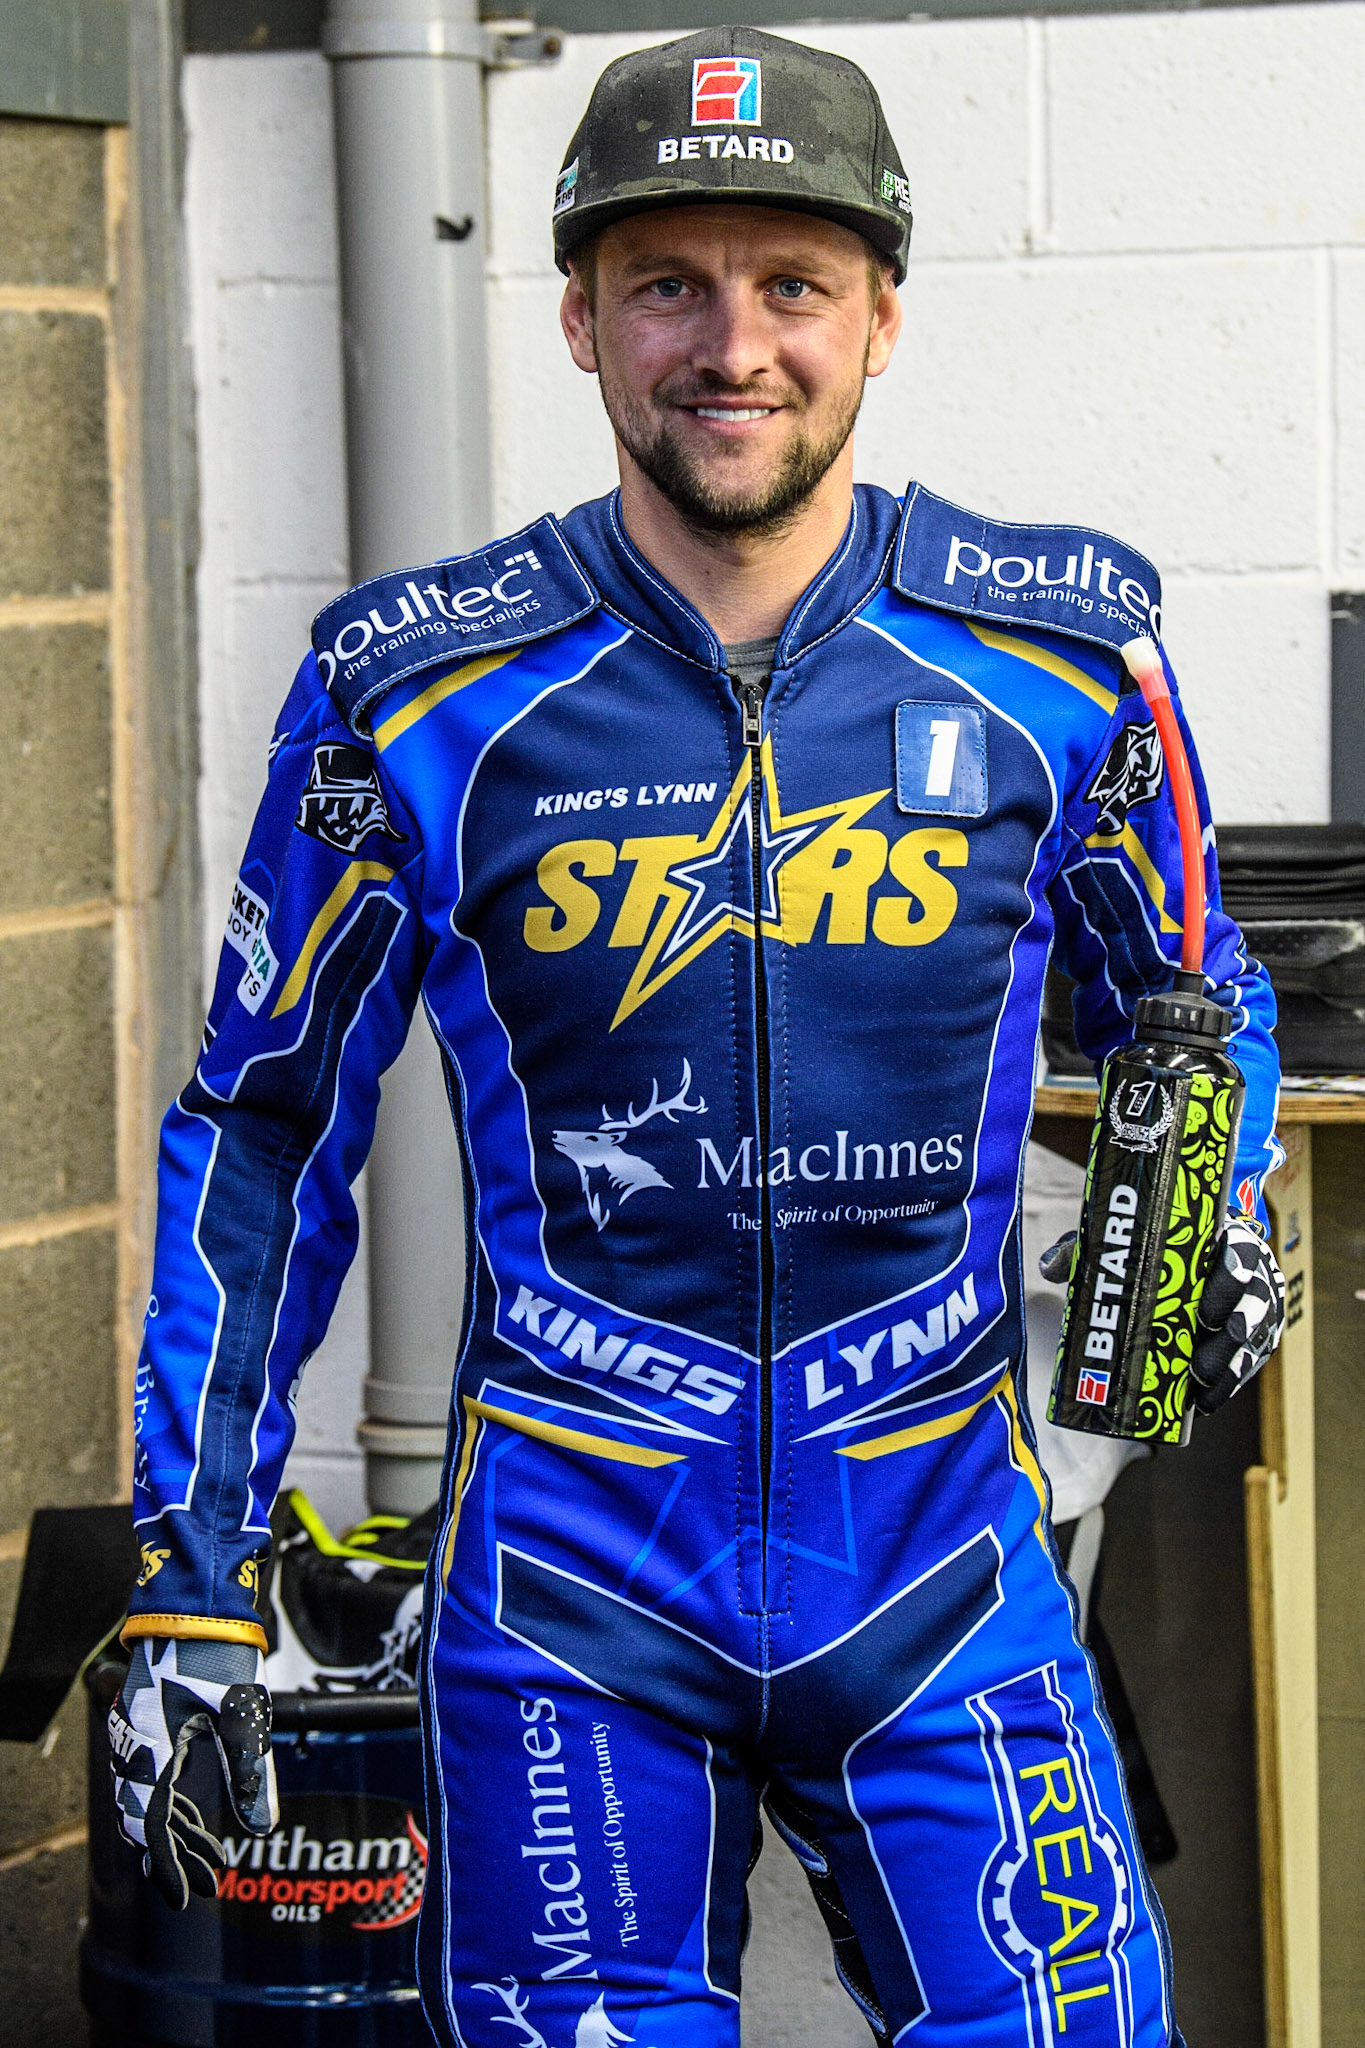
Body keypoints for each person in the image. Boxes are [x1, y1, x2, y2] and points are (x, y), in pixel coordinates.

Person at [109, 26, 1286, 2046]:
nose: (731, 347)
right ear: (578, 317)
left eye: (790, 284)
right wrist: (188, 1565)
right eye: (667, 283)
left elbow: (1191, 996)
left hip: (940, 1568)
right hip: (570, 1597)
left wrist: (1210, 1202)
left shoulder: (1067, 656)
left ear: (880, 316)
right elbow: (261, 1126)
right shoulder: (408, 688)